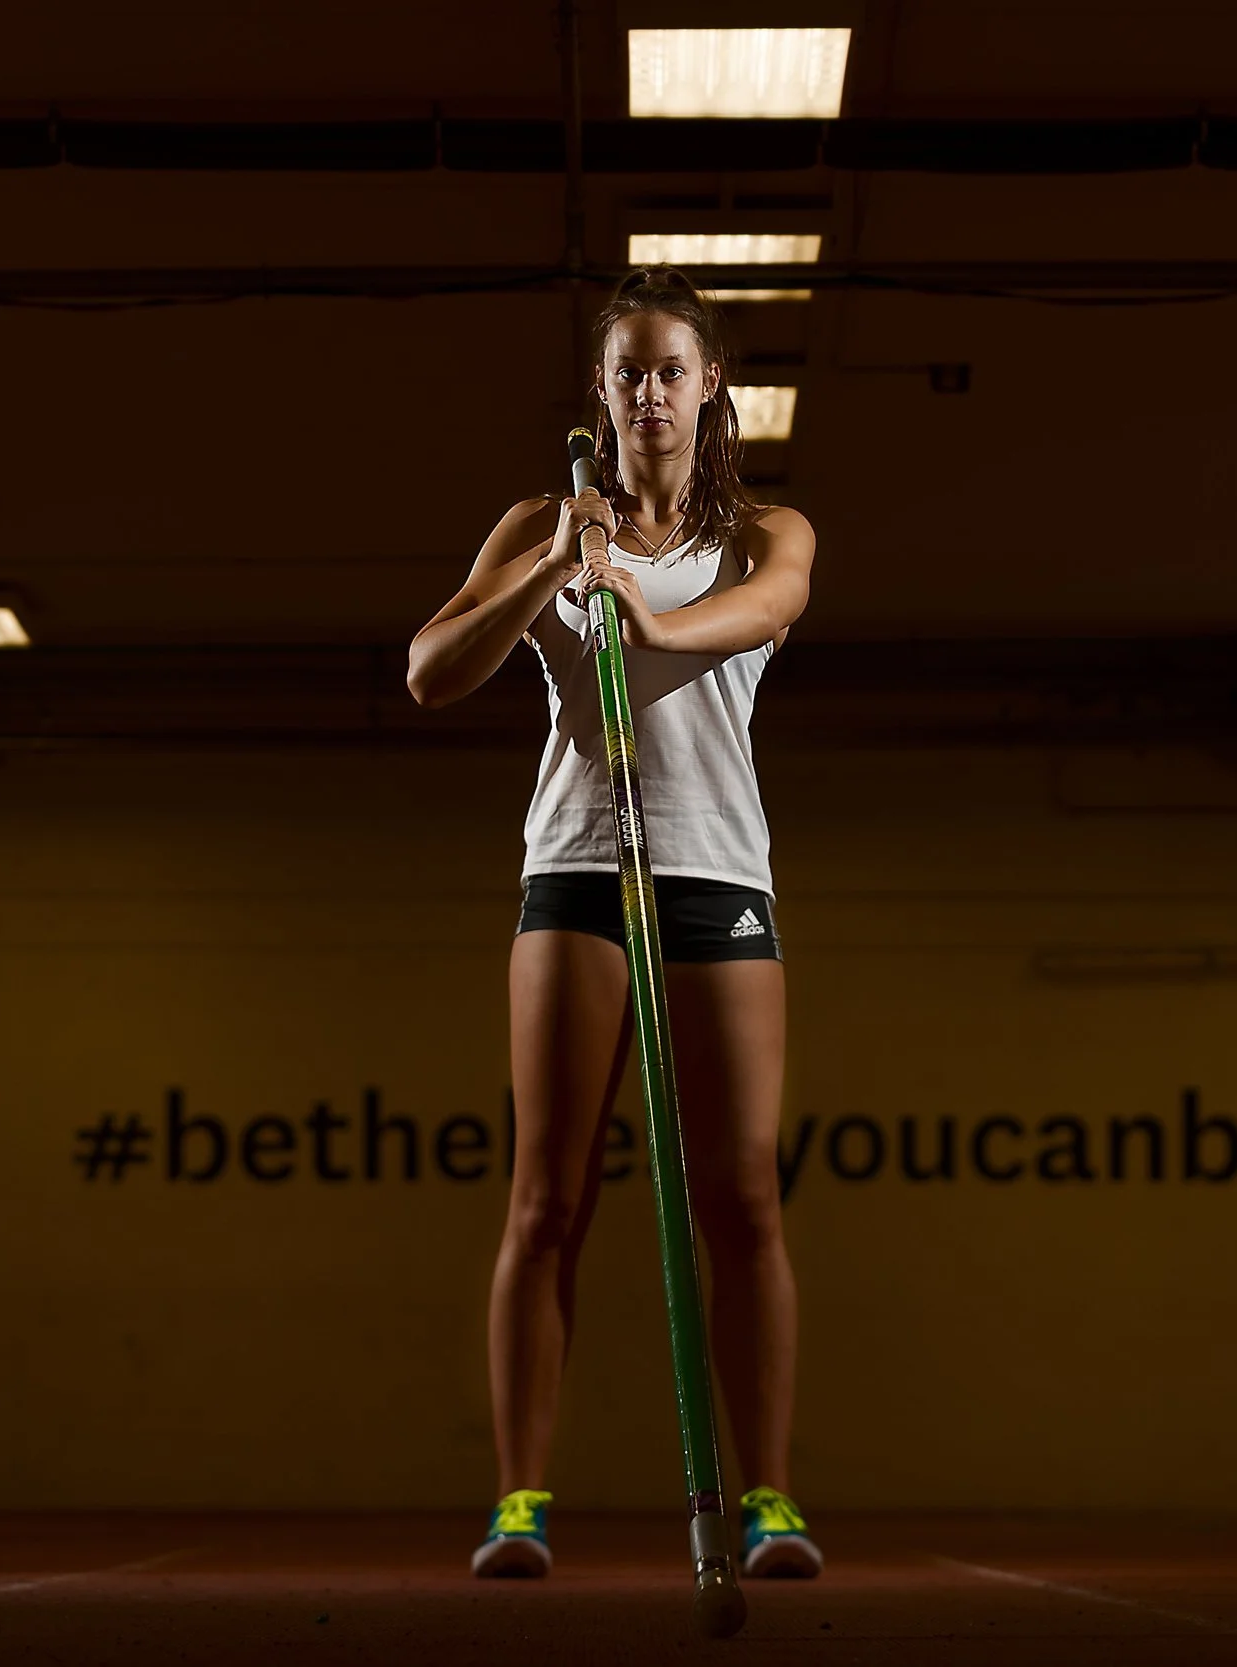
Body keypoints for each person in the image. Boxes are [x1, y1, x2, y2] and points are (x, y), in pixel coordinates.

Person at [406, 267, 820, 1581]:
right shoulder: (539, 521)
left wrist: (641, 605)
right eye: (626, 370)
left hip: (712, 870)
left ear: (710, 388)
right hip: (579, 867)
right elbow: (431, 669)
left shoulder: (766, 531)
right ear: (602, 392)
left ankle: (770, 1500)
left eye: (671, 369)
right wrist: (553, 561)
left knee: (743, 1197)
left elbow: (766, 612)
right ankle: (519, 1500)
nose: (649, 391)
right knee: (547, 1200)